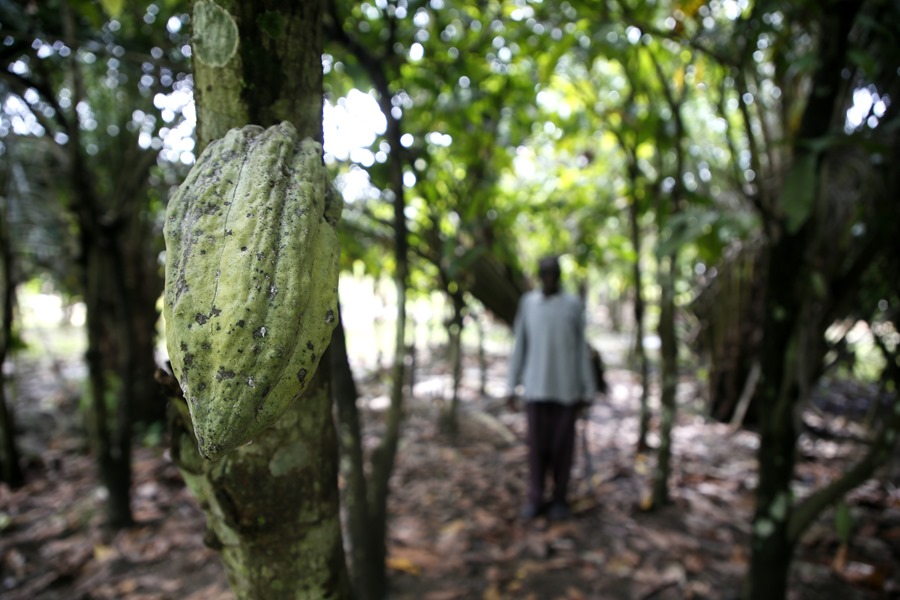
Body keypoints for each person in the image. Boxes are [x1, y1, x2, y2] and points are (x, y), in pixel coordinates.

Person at [507, 255, 597, 520]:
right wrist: (512, 386)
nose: (549, 278)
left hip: (566, 390)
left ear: (559, 276)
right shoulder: (529, 304)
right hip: (536, 389)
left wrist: (587, 389)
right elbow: (519, 346)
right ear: (538, 275)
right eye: (544, 273)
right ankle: (536, 498)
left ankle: (560, 498)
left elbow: (581, 349)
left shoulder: (572, 305)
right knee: (537, 448)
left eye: (553, 273)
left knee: (562, 448)